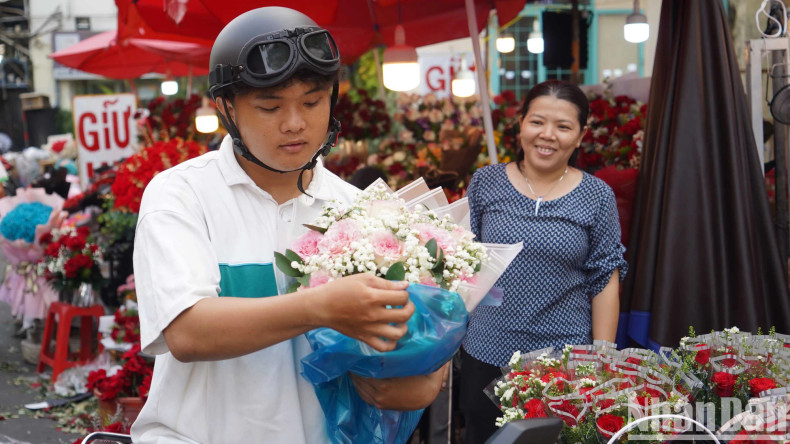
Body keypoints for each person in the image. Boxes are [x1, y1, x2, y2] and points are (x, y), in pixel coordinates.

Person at [131, 7, 447, 443]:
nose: (295, 123)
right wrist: (321, 307)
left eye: (312, 102)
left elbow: (406, 340)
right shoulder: (181, 195)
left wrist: (422, 375)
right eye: (269, 106)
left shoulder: (361, 208)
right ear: (227, 109)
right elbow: (186, 332)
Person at [459, 80, 628, 443]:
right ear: (520, 124)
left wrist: (600, 360)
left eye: (563, 126)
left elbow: (604, 278)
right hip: (485, 352)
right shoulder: (486, 183)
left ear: (581, 135)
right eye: (537, 122)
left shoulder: (597, 196)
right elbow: (462, 264)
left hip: (563, 362)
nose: (547, 135)